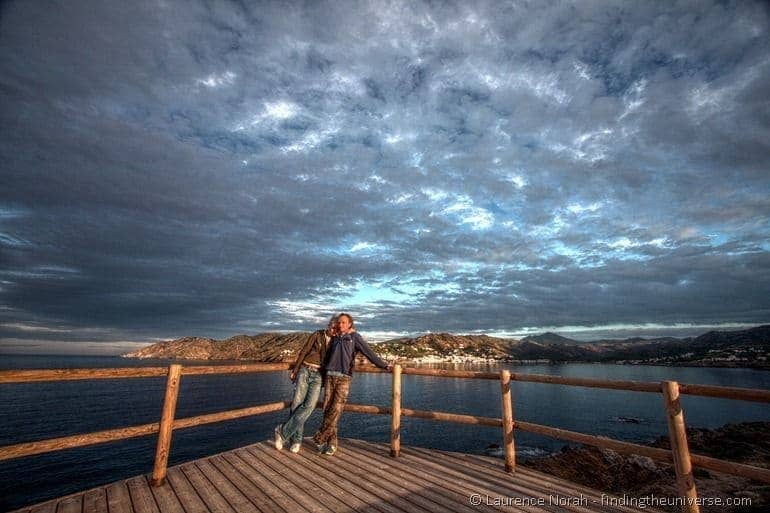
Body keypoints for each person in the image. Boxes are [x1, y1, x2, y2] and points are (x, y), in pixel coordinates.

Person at [312, 312, 392, 455]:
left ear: (350, 324)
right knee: (328, 409)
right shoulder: (335, 337)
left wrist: (384, 365)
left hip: (344, 377)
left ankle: (319, 437)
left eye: (343, 322)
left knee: (337, 409)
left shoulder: (355, 337)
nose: (340, 324)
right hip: (330, 376)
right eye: (339, 322)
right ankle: (331, 443)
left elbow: (369, 353)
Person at [274, 315, 338, 453]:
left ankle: (282, 431)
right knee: (297, 404)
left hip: (319, 376)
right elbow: (304, 351)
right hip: (305, 370)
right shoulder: (317, 334)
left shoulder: (336, 342)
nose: (334, 330)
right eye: (332, 327)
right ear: (328, 325)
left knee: (309, 406)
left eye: (336, 328)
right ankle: (296, 440)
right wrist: (295, 370)